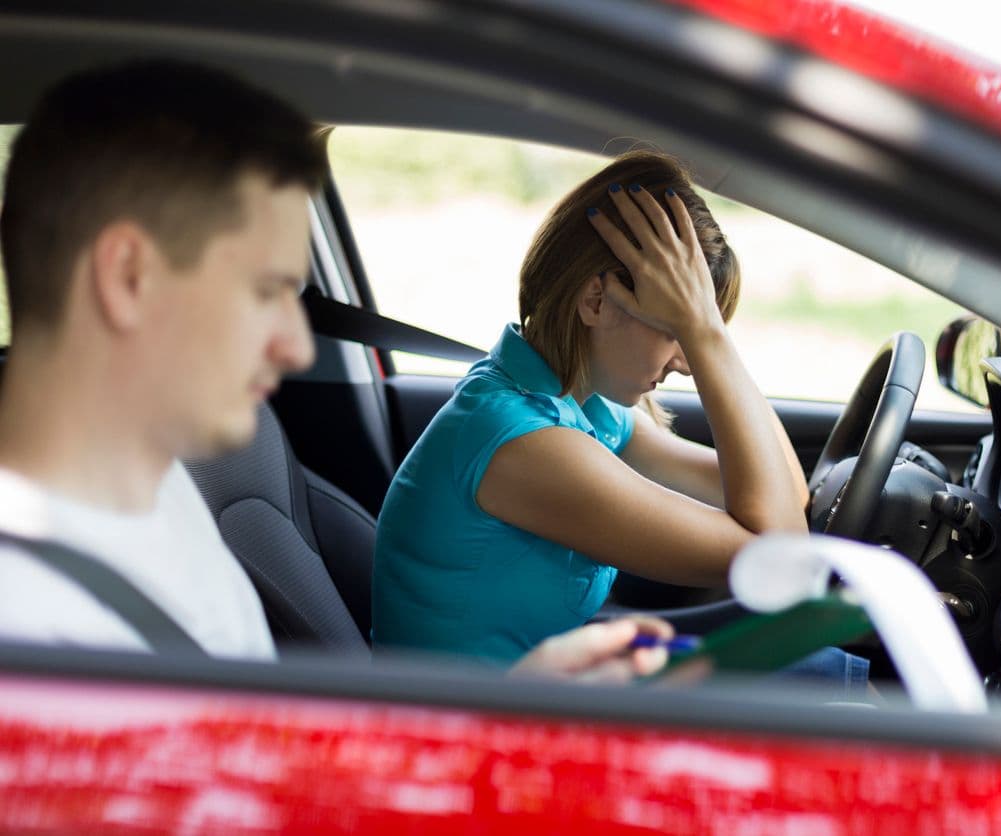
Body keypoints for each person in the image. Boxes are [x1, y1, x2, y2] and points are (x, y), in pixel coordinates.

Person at [0, 60, 670, 683]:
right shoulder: (33, 627)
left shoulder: (159, 491)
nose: (296, 348)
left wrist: (519, 707)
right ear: (128, 277)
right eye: (267, 292)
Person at [373, 152, 849, 676]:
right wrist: (707, 338)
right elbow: (781, 551)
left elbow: (787, 492)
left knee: (822, 668)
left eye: (695, 331)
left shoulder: (582, 405)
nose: (687, 364)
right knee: (831, 679)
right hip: (484, 734)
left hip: (546, 691)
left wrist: (706, 325)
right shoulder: (523, 441)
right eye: (676, 331)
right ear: (596, 301)